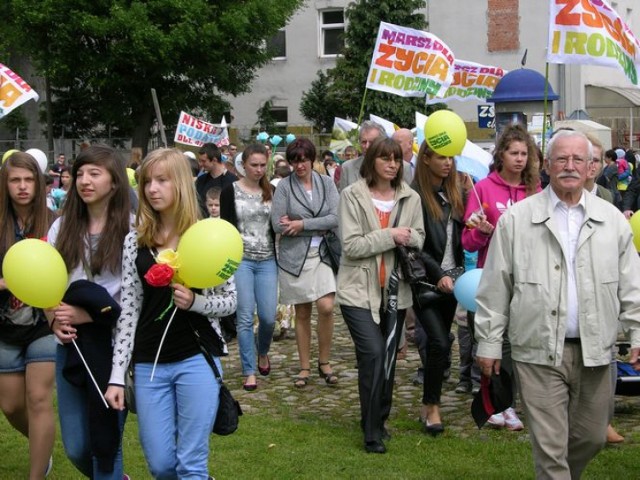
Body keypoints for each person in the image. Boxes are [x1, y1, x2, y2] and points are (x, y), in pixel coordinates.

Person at [475, 129, 640, 479]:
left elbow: (632, 285)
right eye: (561, 159)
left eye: (577, 159)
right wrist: (489, 342)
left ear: (591, 167)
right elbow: (494, 288)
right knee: (550, 450)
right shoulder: (516, 220)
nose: (569, 166)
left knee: (592, 437)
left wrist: (638, 334)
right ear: (547, 164)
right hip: (536, 350)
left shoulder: (612, 220)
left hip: (597, 352)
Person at [105, 148, 237, 479]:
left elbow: (230, 301)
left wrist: (197, 303)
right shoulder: (134, 240)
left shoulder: (207, 234)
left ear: (179, 182)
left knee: (191, 463)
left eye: (162, 180)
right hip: (149, 364)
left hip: (196, 358)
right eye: (148, 181)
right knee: (162, 464)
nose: (152, 189)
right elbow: (130, 310)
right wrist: (117, 375)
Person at [47, 144, 131, 479]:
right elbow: (47, 285)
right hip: (70, 347)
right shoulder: (60, 228)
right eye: (80, 173)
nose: (84, 180)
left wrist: (93, 315)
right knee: (77, 447)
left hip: (113, 347)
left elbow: (133, 297)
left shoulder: (132, 229)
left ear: (114, 181)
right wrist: (53, 319)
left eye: (94, 173)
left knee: (105, 444)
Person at [338, 137, 424, 453]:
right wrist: (391, 235)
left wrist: (406, 236)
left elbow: (419, 238)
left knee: (387, 359)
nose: (391, 164)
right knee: (373, 353)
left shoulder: (410, 197)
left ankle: (377, 420)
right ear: (371, 160)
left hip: (395, 290)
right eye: (385, 158)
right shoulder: (352, 196)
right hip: (357, 290)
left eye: (396, 159)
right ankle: (371, 432)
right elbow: (352, 245)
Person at [462, 124, 540, 431]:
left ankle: (511, 402)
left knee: (520, 341)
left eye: (525, 153)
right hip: (492, 274)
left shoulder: (536, 190)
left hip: (529, 275)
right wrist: (480, 233)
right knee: (493, 340)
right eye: (513, 152)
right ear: (501, 155)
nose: (520, 159)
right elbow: (467, 242)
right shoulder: (483, 189)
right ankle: (495, 403)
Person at [0, 152, 56, 479]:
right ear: (5, 185)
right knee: (11, 405)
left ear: (39, 182)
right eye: (15, 180)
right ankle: (41, 443)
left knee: (38, 399)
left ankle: (36, 474)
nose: (22, 187)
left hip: (44, 324)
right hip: (6, 324)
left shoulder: (55, 222)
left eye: (28, 179)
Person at [271, 137, 340, 388]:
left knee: (326, 306)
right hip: (294, 257)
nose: (300, 166)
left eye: (304, 160)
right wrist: (314, 226)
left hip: (323, 254)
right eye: (295, 161)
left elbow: (334, 217)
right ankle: (304, 366)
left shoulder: (326, 183)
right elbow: (277, 223)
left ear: (312, 159)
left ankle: (324, 360)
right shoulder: (284, 187)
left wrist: (301, 224)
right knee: (302, 311)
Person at [411, 141, 465, 436]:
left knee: (440, 346)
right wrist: (438, 273)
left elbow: (460, 239)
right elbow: (416, 244)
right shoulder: (415, 195)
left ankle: (429, 401)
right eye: (441, 157)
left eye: (451, 157)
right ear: (426, 159)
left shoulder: (456, 193)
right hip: (426, 281)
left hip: (454, 280)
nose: (447, 162)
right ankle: (432, 406)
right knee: (440, 343)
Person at [220, 143, 277, 391]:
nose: (258, 169)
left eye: (263, 165)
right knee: (244, 316)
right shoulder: (229, 190)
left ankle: (262, 350)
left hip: (267, 259)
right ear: (243, 165)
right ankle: (248, 369)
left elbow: (277, 224)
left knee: (268, 317)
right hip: (241, 259)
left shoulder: (272, 190)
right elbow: (225, 227)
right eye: (254, 165)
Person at [338, 121, 413, 191]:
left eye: (372, 142)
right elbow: (343, 201)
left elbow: (408, 199)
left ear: (382, 142)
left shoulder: (403, 167)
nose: (367, 146)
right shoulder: (348, 167)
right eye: (364, 142)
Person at [195, 142, 238, 218]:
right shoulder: (201, 180)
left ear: (214, 160)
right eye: (200, 161)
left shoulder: (233, 181)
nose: (200, 164)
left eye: (204, 161)